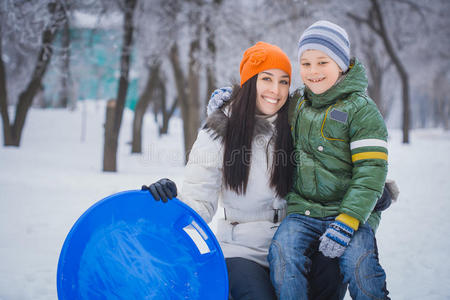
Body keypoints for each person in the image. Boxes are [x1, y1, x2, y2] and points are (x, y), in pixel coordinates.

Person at [142, 41, 348, 300]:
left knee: (333, 268)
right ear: (250, 81)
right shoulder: (219, 132)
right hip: (240, 251)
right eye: (267, 79)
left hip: (293, 245)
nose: (276, 90)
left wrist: (370, 188)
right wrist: (167, 201)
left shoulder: (299, 124)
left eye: (284, 81)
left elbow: (339, 145)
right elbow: (198, 203)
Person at [268, 20, 392, 299]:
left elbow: (371, 169)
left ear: (341, 65)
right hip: (304, 211)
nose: (313, 72)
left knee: (360, 266)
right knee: (282, 254)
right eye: (306, 63)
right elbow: (263, 106)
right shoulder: (297, 103)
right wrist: (229, 102)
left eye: (322, 62)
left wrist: (348, 220)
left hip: (349, 213)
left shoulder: (361, 110)